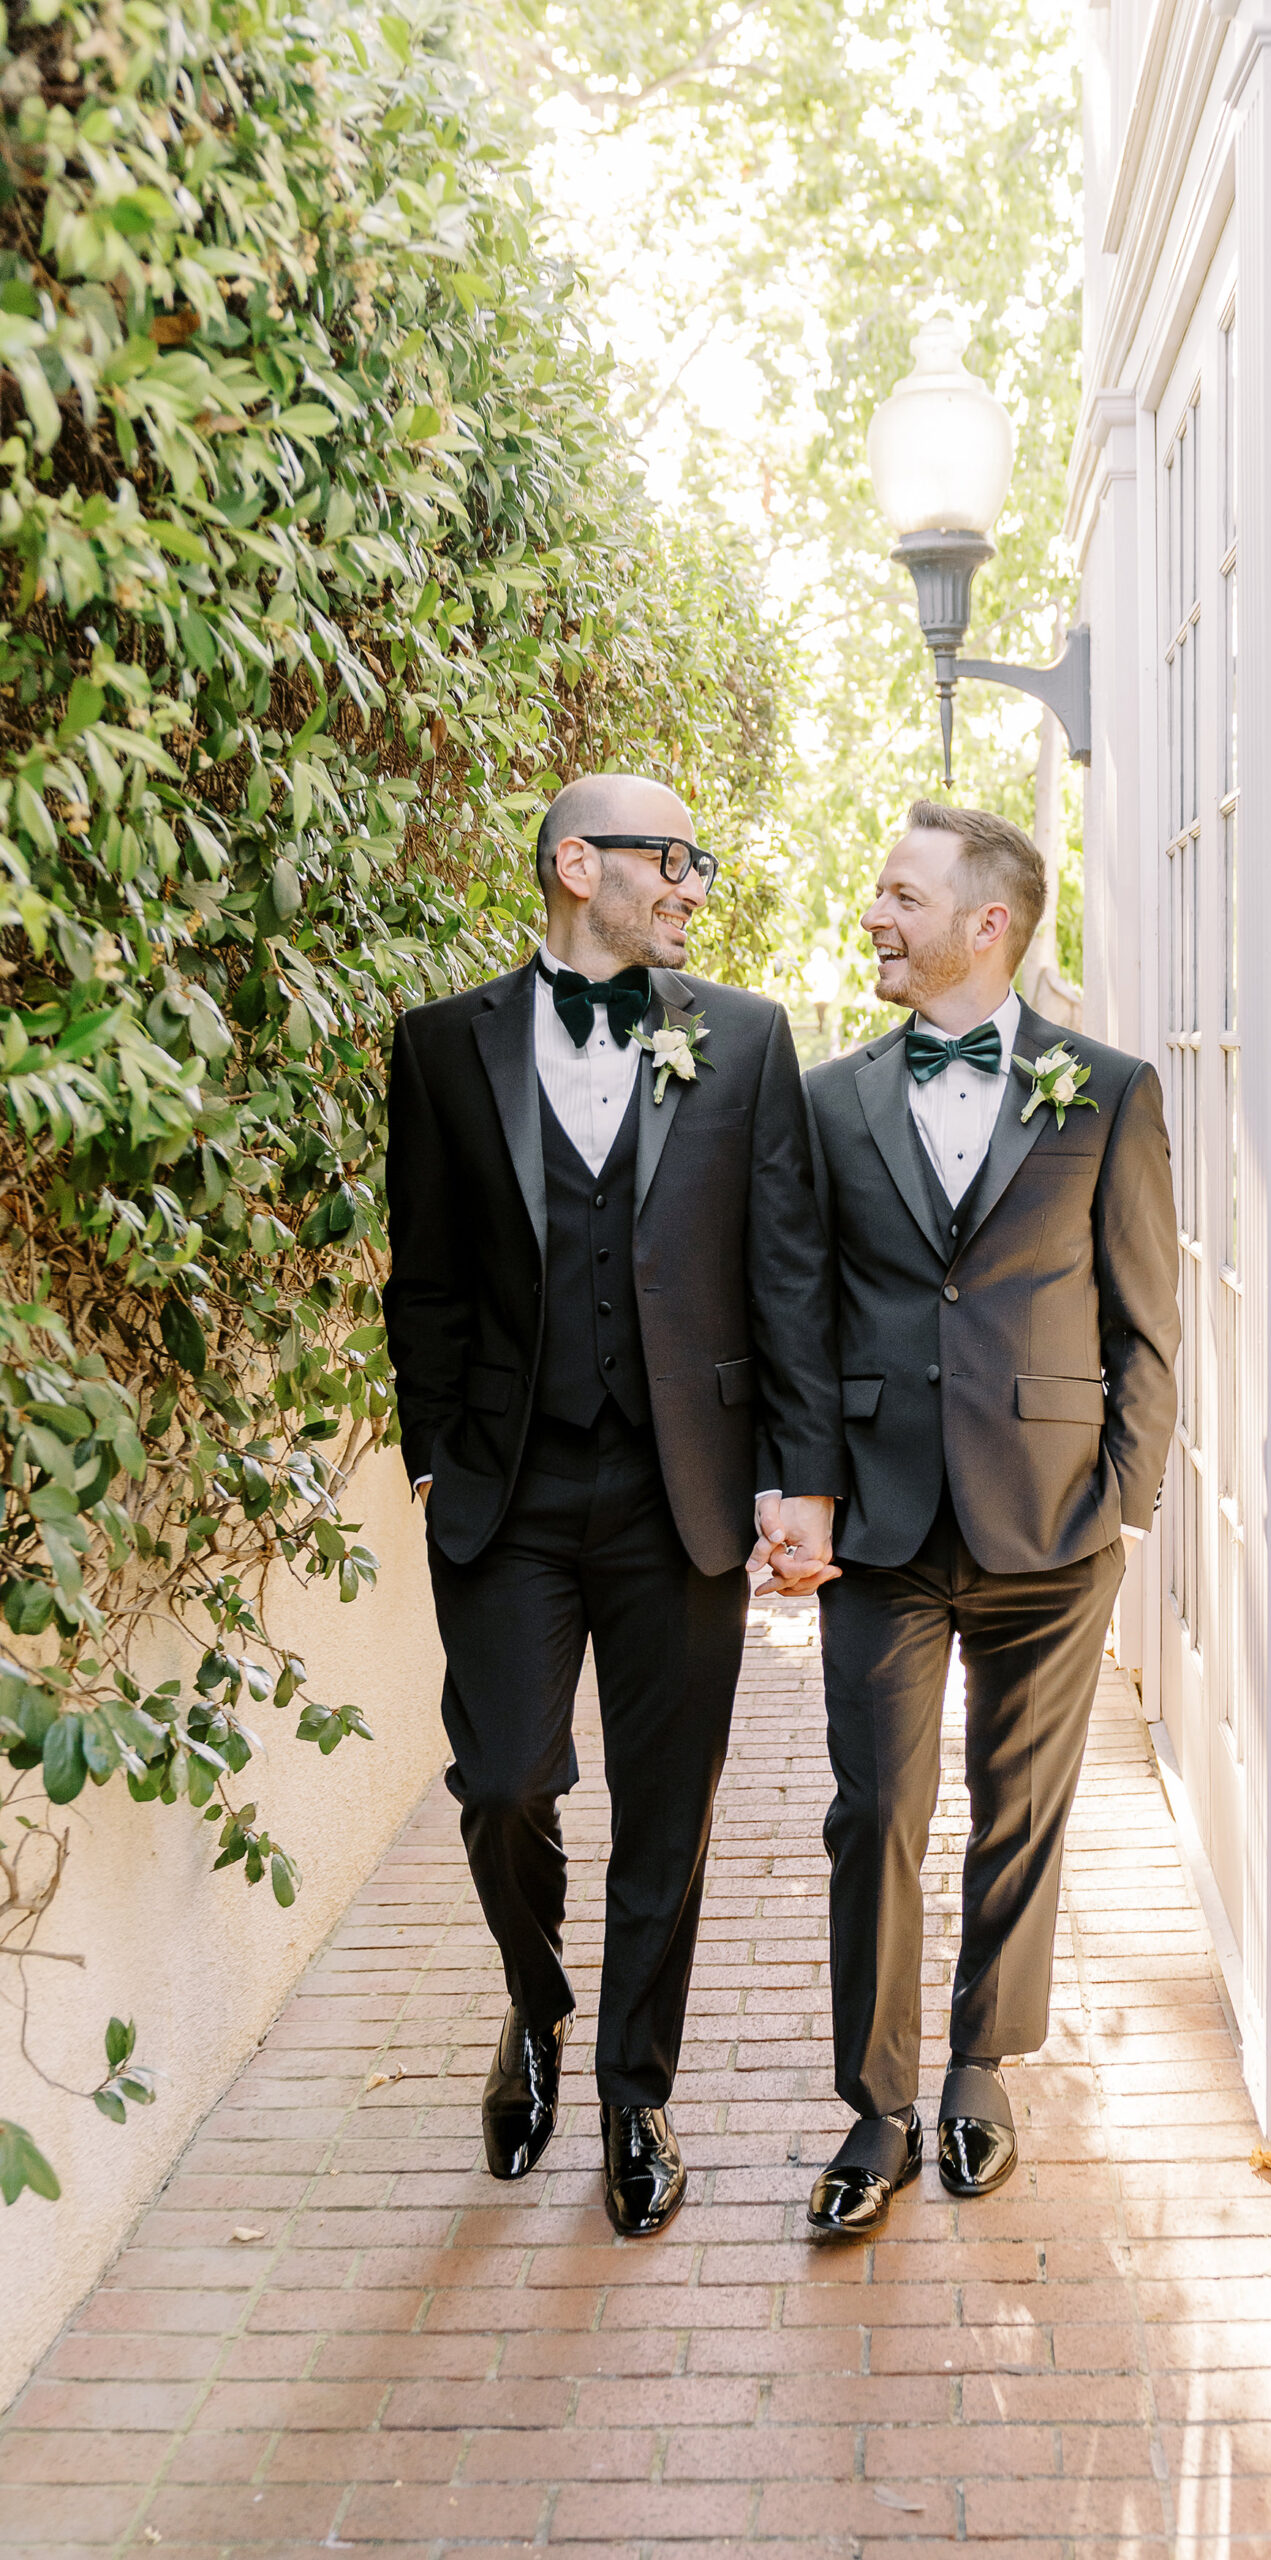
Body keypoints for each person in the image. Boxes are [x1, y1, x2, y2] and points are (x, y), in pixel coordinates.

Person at [384, 772, 843, 2232]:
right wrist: (432, 1454)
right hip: (506, 1496)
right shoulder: (442, 1044)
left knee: (666, 1807)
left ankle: (633, 2094)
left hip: (679, 1492)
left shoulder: (745, 1038)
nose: (694, 887)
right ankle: (535, 2009)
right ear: (580, 865)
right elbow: (424, 1275)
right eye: (674, 860)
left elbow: (785, 1271)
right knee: (503, 1781)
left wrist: (800, 1478)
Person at [759, 798, 1179, 2235]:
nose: (873, 914)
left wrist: (1126, 1506)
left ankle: (980, 2068)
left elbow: (1143, 1319)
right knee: (874, 1810)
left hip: (1053, 1522)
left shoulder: (1108, 1091)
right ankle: (873, 2107)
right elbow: (796, 1313)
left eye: (901, 895)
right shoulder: (829, 1100)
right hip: (880, 1524)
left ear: (985, 922)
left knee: (1021, 1808)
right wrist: (802, 1485)